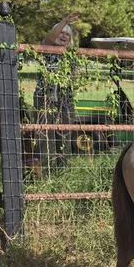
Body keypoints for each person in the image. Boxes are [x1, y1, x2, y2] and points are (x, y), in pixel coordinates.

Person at [34, 11, 81, 169]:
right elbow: (49, 38)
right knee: (43, 135)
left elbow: (75, 78)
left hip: (65, 100)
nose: (63, 36)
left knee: (64, 135)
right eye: (61, 32)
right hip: (44, 97)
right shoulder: (46, 50)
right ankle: (43, 170)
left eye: (67, 34)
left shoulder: (72, 55)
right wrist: (65, 21)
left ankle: (62, 171)